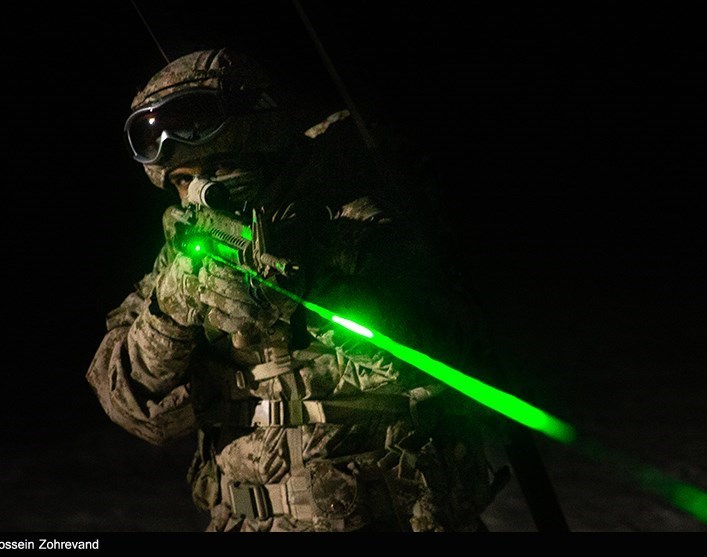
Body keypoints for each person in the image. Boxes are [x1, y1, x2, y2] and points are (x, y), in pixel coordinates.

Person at [86, 47, 508, 532]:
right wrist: (170, 312)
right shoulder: (183, 256)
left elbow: (452, 358)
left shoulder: (359, 225)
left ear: (261, 151)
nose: (199, 193)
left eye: (217, 170)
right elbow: (135, 411)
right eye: (183, 180)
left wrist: (311, 296)